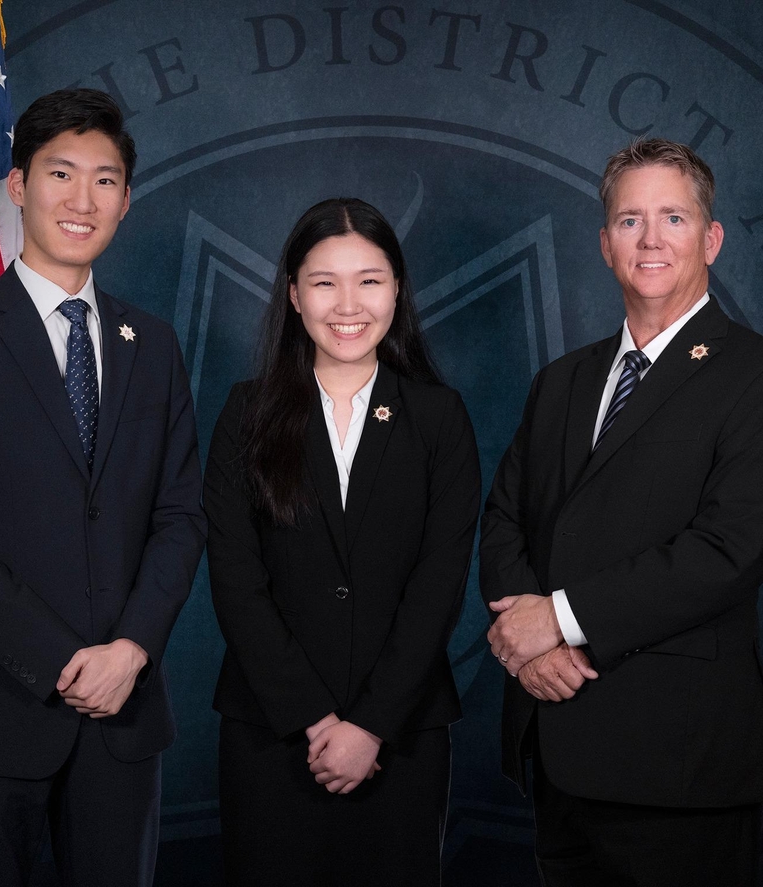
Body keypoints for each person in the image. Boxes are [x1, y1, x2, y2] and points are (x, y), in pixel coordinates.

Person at [479, 138, 763, 886]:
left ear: (711, 238)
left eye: (674, 216)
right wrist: (532, 648)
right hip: (558, 742)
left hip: (679, 763)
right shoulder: (561, 382)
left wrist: (558, 617)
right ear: (605, 245)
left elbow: (726, 552)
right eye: (630, 221)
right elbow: (504, 515)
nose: (652, 238)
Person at [0, 88, 206, 887]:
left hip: (124, 715)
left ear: (126, 201)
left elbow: (179, 515)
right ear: (18, 186)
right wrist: (66, 660)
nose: (82, 198)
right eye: (60, 173)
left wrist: (129, 650)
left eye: (104, 180)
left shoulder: (153, 343)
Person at [203, 197, 481, 886]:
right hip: (271, 730)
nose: (347, 303)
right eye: (325, 281)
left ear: (397, 290)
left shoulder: (438, 416)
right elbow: (235, 579)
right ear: (294, 294)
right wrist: (313, 716)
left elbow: (439, 582)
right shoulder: (247, 411)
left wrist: (369, 725)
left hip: (402, 734)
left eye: (370, 279)